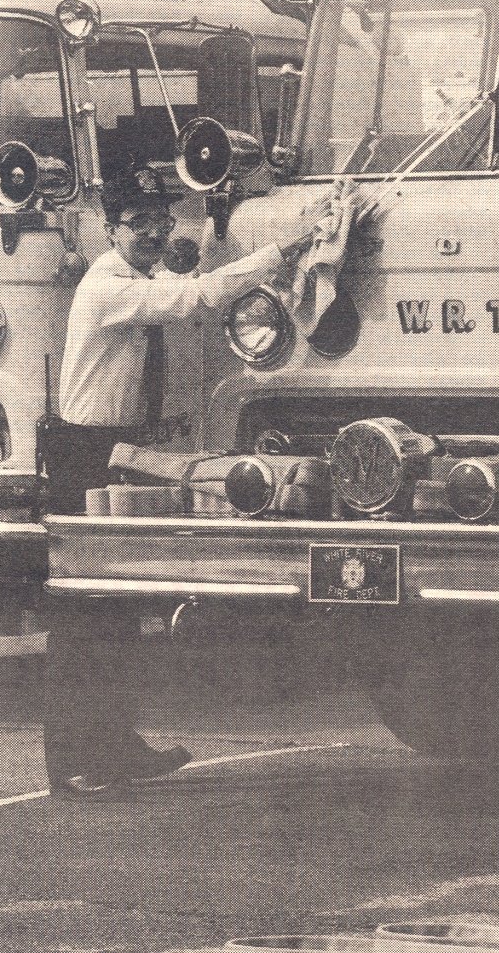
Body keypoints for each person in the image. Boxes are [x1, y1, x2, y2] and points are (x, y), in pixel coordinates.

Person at [41, 167, 327, 800]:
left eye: (158, 222)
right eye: (138, 223)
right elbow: (195, 296)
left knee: (117, 614)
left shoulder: (136, 277)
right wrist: (282, 250)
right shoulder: (106, 286)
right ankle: (72, 760)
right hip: (87, 456)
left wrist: (234, 190)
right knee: (84, 619)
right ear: (109, 229)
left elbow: (186, 269)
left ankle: (114, 746)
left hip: (117, 453)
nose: (151, 233)